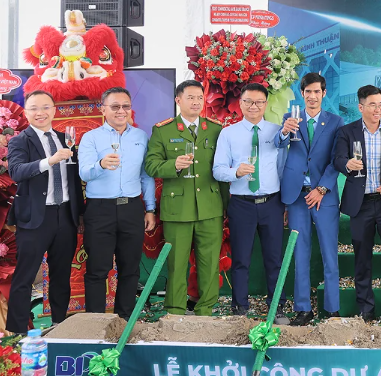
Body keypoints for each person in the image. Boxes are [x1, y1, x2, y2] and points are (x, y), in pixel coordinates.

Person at [144, 80, 226, 316]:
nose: (196, 102)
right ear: (178, 100)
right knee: (176, 263)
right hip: (177, 208)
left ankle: (205, 310)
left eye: (200, 97)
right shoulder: (163, 130)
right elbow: (150, 165)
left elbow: (222, 171)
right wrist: (173, 165)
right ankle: (175, 310)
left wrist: (226, 207)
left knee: (209, 263)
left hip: (210, 207)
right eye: (190, 97)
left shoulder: (216, 129)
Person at [6, 91, 85, 333]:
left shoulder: (65, 139)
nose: (40, 113)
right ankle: (17, 333)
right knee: (25, 276)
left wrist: (79, 214)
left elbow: (74, 180)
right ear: (26, 112)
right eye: (34, 108)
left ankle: (58, 326)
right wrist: (50, 160)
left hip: (65, 215)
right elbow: (16, 172)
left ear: (54, 110)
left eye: (45, 107)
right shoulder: (20, 141)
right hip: (34, 218)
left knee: (61, 274)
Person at [78, 87, 156, 318]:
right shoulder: (91, 138)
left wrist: (150, 209)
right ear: (103, 110)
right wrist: (101, 165)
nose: (121, 111)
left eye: (126, 106)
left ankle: (124, 321)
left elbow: (146, 176)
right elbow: (84, 173)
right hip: (100, 209)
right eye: (115, 106)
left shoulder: (141, 137)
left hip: (132, 208)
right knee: (97, 269)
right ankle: (96, 322)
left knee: (130, 269)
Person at [335, 85, 381, 325]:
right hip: (361, 205)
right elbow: (337, 159)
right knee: (362, 260)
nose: (378, 109)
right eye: (373, 105)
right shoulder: (347, 132)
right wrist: (347, 165)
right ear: (361, 107)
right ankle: (366, 310)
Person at [275, 73, 343, 326]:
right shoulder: (290, 118)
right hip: (296, 197)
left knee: (329, 254)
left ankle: (332, 309)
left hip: (324, 197)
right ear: (301, 94)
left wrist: (322, 189)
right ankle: (303, 309)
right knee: (299, 253)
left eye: (317, 91)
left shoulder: (335, 121)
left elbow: (337, 160)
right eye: (308, 92)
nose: (312, 96)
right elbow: (278, 144)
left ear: (324, 93)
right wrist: (284, 131)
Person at [213, 83, 286, 317]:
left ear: (266, 104)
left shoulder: (277, 132)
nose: (253, 106)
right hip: (241, 204)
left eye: (259, 102)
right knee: (241, 259)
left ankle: (277, 306)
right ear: (240, 104)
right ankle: (240, 307)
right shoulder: (228, 133)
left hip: (272, 203)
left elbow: (284, 167)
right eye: (248, 101)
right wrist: (235, 172)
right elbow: (217, 170)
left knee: (274, 259)